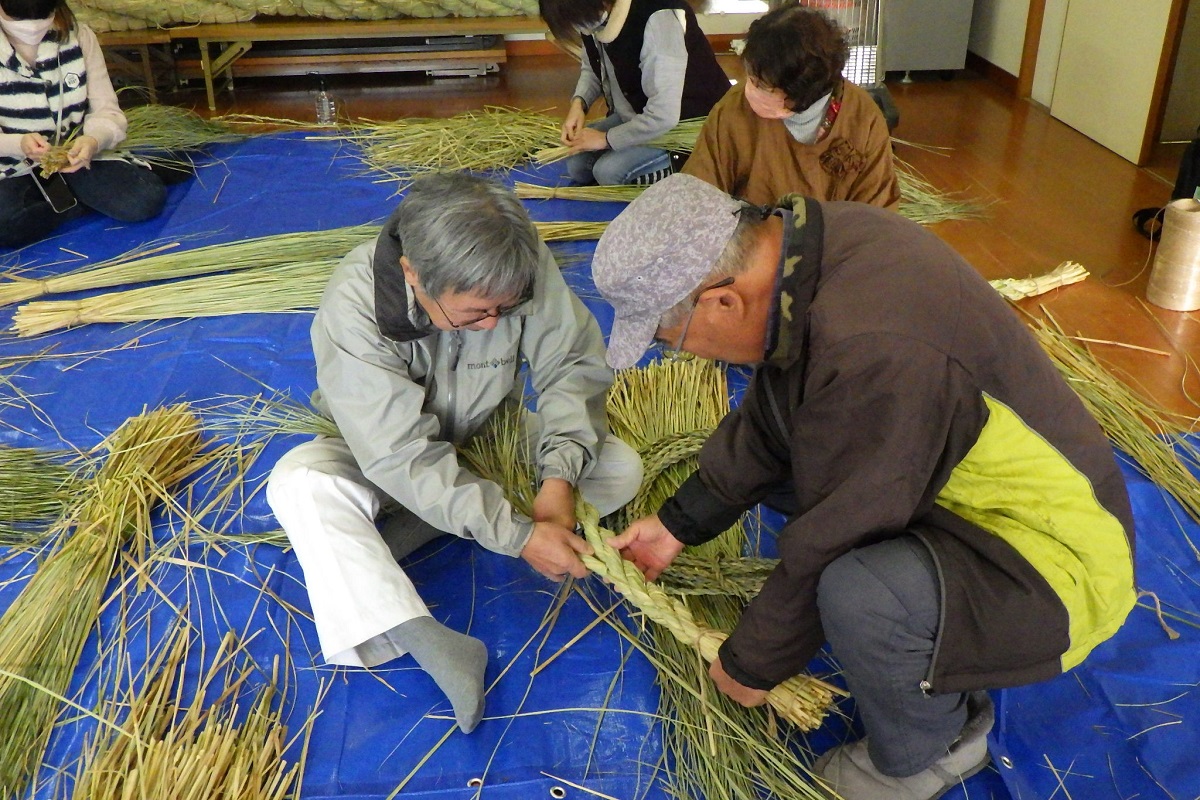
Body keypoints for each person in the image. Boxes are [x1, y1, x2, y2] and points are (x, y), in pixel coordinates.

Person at [591, 174, 1136, 800]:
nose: (690, 358)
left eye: (673, 340)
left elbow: (840, 528)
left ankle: (933, 752)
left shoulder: (875, 348)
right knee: (804, 479)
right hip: (947, 484)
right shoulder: (811, 253)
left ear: (722, 301)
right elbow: (775, 415)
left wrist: (752, 662)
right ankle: (929, 628)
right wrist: (677, 524)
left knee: (860, 591)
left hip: (1057, 561)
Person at [266, 172, 642, 735]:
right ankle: (426, 636)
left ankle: (415, 532)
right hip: (380, 455)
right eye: (476, 314)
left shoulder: (513, 259)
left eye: (504, 309)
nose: (495, 324)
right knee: (299, 483)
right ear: (413, 275)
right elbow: (400, 454)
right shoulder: (355, 305)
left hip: (488, 435)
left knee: (620, 467)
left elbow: (570, 364)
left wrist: (558, 479)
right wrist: (516, 534)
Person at [681, 2, 900, 209]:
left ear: (801, 94)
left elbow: (875, 217)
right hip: (754, 239)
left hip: (835, 242)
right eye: (750, 76)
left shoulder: (863, 119)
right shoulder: (732, 109)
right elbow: (699, 193)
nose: (749, 89)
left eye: (762, 86)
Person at [0, 0, 167, 248]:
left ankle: (60, 198)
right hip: (13, 166)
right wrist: (19, 144)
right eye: (17, 22)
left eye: (43, 19)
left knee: (143, 200)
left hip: (78, 157)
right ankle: (67, 201)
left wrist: (93, 140)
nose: (32, 29)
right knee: (6, 227)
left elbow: (106, 109)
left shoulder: (78, 35)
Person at [539, 0, 730, 186]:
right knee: (578, 166)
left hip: (687, 122)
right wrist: (579, 104)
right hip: (636, 114)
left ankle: (691, 168)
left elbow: (664, 115)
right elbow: (592, 66)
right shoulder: (593, 16)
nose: (581, 28)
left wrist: (606, 139)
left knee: (607, 173)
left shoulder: (657, 19)